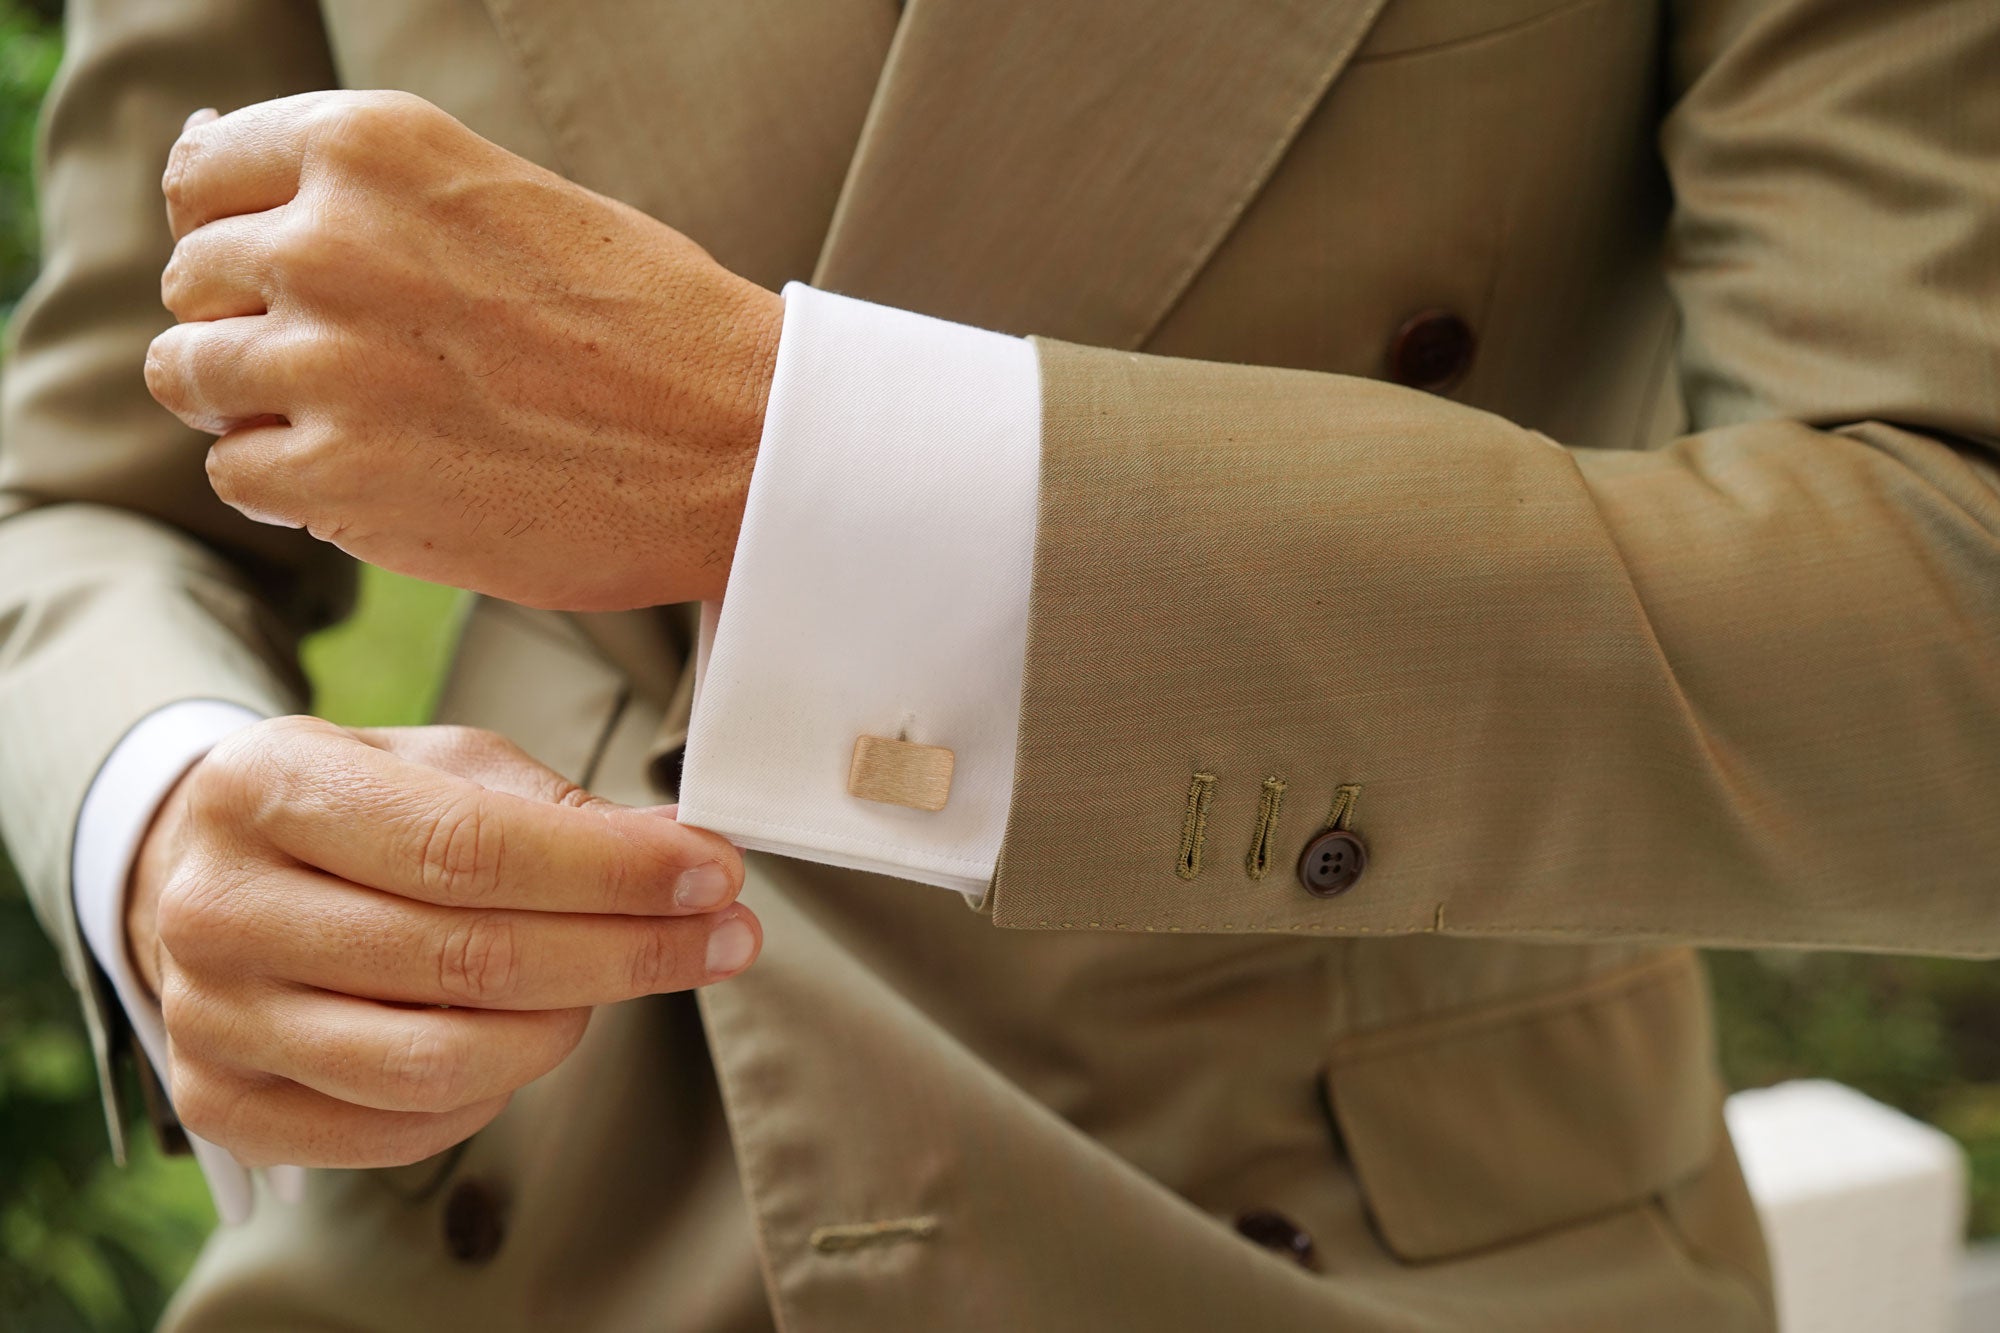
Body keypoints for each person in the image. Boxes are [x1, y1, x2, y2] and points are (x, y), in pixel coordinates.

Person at [2, 0, 1996, 1328]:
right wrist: (159, 810)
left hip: (1340, 1248)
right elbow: (80, 491)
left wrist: (792, 460)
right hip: (504, 1207)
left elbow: (1949, 604)